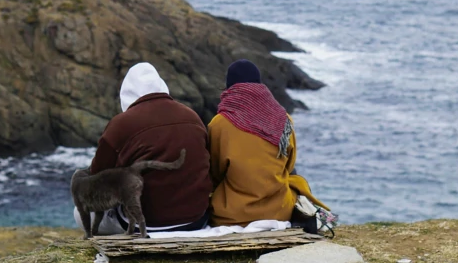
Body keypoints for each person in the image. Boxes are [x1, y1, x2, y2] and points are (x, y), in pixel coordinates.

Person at [74, 62, 212, 235]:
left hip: (147, 224)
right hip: (195, 220)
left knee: (79, 212)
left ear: (128, 93)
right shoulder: (192, 116)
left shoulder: (121, 124)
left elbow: (97, 180)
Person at [208, 59, 329, 227]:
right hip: (279, 212)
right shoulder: (284, 120)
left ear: (230, 88)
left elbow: (215, 172)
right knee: (297, 182)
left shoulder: (219, 124)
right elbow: (288, 165)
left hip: (231, 215)